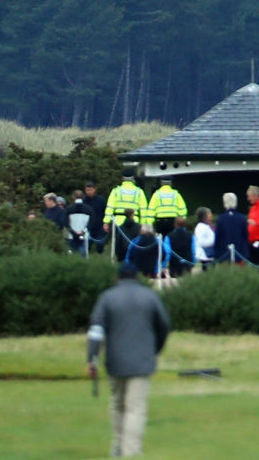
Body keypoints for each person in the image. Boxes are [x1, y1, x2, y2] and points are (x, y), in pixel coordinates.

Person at [87, 263, 173, 458]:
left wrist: (92, 358)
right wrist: (155, 349)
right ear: (137, 277)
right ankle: (131, 451)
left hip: (115, 361)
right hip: (142, 360)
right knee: (135, 408)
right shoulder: (150, 296)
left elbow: (96, 330)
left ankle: (117, 446)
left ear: (118, 278)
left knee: (117, 404)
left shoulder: (107, 297)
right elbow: (164, 325)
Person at [103, 173, 150, 254]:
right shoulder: (139, 192)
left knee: (118, 244)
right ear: (133, 180)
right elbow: (143, 209)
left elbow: (110, 207)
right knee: (134, 245)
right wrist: (143, 224)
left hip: (118, 222)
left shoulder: (116, 191)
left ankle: (117, 261)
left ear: (123, 179)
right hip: (135, 222)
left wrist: (106, 222)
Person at [146, 177, 186, 249]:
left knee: (160, 243)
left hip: (160, 222)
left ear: (161, 183)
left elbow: (151, 210)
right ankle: (171, 257)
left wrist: (150, 224)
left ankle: (161, 257)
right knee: (172, 242)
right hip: (173, 222)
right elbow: (183, 209)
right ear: (171, 183)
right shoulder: (176, 194)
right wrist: (181, 222)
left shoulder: (156, 194)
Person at [214, 192, 251, 264]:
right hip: (240, 254)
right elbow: (246, 236)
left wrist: (216, 253)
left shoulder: (221, 218)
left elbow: (218, 237)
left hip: (224, 254)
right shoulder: (242, 218)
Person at [80, 183, 108, 254]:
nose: (89, 192)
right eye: (87, 190)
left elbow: (106, 211)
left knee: (100, 243)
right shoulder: (84, 201)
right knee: (86, 246)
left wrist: (106, 223)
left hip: (100, 226)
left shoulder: (101, 200)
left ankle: (100, 257)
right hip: (88, 227)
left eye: (90, 190)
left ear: (94, 189)